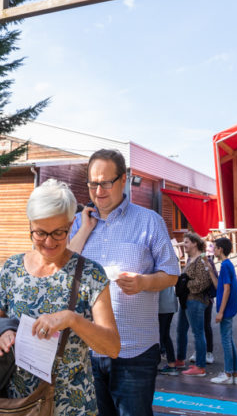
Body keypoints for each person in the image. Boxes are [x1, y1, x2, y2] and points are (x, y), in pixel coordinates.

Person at [0, 179, 119, 415]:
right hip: (19, 405)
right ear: (30, 225)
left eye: (59, 232)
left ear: (71, 223)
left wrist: (72, 319)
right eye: (40, 233)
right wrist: (2, 334)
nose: (49, 242)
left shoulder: (90, 274)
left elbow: (112, 347)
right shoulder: (12, 269)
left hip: (73, 406)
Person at [69, 149, 179, 416]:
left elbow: (171, 273)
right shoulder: (78, 223)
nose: (99, 191)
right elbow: (65, 270)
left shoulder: (149, 221)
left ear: (123, 180)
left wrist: (142, 282)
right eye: (93, 183)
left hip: (135, 351)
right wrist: (84, 229)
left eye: (105, 182)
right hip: (88, 350)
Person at [175, 232, 213, 377]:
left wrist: (185, 285)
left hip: (196, 300)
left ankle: (200, 366)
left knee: (198, 332)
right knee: (181, 330)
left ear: (195, 243)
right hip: (187, 300)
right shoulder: (191, 259)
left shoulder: (201, 260)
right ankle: (180, 359)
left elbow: (204, 281)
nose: (184, 245)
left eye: (186, 242)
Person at [210, 237, 237, 385]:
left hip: (227, 309)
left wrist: (220, 312)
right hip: (229, 308)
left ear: (220, 249)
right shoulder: (226, 265)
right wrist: (210, 271)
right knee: (229, 339)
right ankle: (235, 373)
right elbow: (220, 287)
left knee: (226, 340)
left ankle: (228, 373)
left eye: (215, 247)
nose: (213, 250)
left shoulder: (225, 266)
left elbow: (227, 289)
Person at [157, 286, 179, 376]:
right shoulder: (169, 271)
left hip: (162, 306)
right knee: (165, 335)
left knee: (160, 336)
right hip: (170, 304)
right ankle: (171, 364)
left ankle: (153, 365)